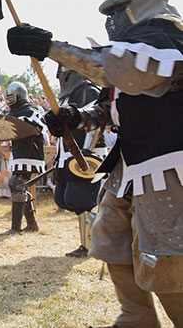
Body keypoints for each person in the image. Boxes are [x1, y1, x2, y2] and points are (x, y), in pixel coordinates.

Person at [6, 0, 183, 327]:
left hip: (169, 168)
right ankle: (136, 317)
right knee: (110, 237)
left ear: (137, 6)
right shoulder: (129, 52)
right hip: (130, 168)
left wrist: (50, 47)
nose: (111, 21)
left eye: (115, 11)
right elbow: (108, 107)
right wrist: (75, 117)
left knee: (165, 259)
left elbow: (123, 70)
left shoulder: (167, 43)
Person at [51, 66, 108, 257]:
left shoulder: (87, 90)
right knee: (65, 199)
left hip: (86, 155)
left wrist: (87, 152)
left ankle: (94, 244)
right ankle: (86, 244)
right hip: (69, 156)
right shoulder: (67, 97)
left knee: (80, 199)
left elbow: (96, 121)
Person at [0, 81, 46, 235]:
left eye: (11, 97)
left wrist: (23, 122)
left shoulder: (30, 110)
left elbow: (39, 127)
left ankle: (16, 228)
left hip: (30, 152)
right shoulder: (13, 113)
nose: (9, 100)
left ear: (19, 96)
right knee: (18, 185)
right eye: (7, 97)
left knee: (17, 183)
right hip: (20, 152)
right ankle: (32, 225)